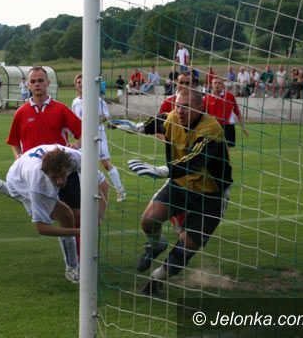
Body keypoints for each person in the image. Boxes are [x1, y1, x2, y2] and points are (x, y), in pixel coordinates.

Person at [127, 88, 232, 296]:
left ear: (200, 108)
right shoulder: (173, 118)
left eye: (186, 106)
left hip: (211, 196)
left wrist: (162, 170)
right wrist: (135, 127)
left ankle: (157, 278)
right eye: (177, 105)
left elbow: (196, 161)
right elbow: (159, 121)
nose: (180, 110)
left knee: (187, 245)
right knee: (148, 220)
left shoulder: (211, 129)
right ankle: (157, 245)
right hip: (180, 185)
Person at [0, 145, 108, 283]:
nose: (60, 181)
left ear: (68, 166)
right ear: (46, 173)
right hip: (18, 182)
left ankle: (0, 186)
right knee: (66, 215)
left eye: (62, 175)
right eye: (54, 178)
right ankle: (72, 269)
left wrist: (99, 217)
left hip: (23, 168)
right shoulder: (38, 185)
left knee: (63, 213)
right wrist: (81, 232)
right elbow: (42, 228)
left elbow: (103, 184)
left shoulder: (76, 158)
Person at [0, 66, 83, 247]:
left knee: (76, 216)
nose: (37, 84)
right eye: (33, 81)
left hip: (62, 169)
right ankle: (73, 261)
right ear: (28, 85)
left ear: (48, 83)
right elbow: (14, 141)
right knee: (60, 215)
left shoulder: (60, 109)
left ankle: (82, 256)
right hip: (38, 173)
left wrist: (77, 145)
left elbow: (81, 131)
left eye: (40, 81)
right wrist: (18, 156)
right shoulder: (21, 112)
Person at [72, 74, 126, 201]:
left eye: (82, 81)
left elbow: (105, 116)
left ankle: (120, 191)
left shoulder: (97, 100)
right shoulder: (75, 102)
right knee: (81, 164)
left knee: (105, 164)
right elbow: (74, 121)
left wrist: (91, 124)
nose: (80, 84)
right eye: (78, 82)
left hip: (98, 135)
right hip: (82, 137)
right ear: (75, 86)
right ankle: (84, 193)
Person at [203, 77, 249, 147]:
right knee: (213, 149)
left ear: (223, 85)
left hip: (228, 127)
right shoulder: (207, 98)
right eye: (215, 83)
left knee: (226, 150)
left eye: (219, 83)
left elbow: (237, 112)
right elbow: (202, 114)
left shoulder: (230, 96)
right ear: (211, 85)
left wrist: (243, 127)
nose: (217, 85)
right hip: (213, 127)